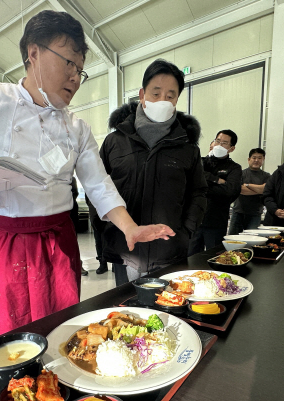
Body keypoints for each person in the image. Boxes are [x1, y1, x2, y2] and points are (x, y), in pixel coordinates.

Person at [0, 11, 174, 342]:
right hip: (0, 241)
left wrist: (130, 227)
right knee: (6, 335)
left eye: (80, 70)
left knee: (60, 331)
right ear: (34, 53)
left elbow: (99, 185)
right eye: (69, 63)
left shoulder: (77, 128)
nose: (75, 77)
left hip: (57, 242)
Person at [100, 59, 207, 285]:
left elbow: (198, 193)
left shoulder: (187, 147)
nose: (162, 101)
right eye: (156, 94)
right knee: (126, 313)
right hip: (125, 250)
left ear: (177, 99)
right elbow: (98, 188)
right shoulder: (114, 142)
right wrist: (107, 228)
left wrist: (185, 232)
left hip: (168, 252)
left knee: (166, 312)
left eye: (170, 95)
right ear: (142, 94)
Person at [188, 130, 241, 255]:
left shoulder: (234, 168)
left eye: (224, 143)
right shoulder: (201, 162)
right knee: (190, 257)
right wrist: (216, 180)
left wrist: (202, 187)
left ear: (231, 148)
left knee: (213, 257)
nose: (219, 145)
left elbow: (229, 191)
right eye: (218, 141)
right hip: (195, 220)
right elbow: (191, 181)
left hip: (216, 221)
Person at [228, 148, 270, 234]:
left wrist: (248, 185)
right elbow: (241, 190)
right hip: (238, 212)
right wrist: (259, 189)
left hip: (255, 214)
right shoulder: (240, 173)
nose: (256, 160)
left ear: (263, 160)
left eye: (259, 158)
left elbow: (265, 190)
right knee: (233, 239)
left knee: (251, 240)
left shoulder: (267, 176)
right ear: (249, 159)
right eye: (254, 158)